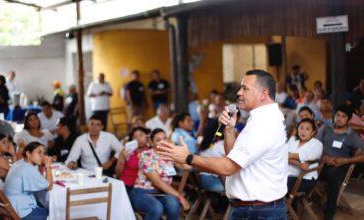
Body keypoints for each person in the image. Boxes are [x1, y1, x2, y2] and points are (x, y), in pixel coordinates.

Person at [158, 70, 288, 219]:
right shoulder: (259, 118)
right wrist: (229, 130)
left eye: (245, 88)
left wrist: (189, 158)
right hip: (253, 208)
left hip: (258, 211)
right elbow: (232, 155)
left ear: (263, 94)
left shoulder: (264, 124)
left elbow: (228, 167)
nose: (239, 93)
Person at [316, 105, 364, 220]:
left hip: (339, 167)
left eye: (343, 116)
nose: (339, 118)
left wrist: (346, 160)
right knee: (303, 170)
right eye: (338, 115)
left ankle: (330, 211)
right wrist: (323, 157)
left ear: (348, 119)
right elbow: (315, 145)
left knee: (332, 174)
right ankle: (298, 201)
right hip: (320, 164)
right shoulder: (325, 128)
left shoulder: (352, 136)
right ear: (334, 115)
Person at [131, 128, 190, 220]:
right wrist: (180, 197)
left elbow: (187, 167)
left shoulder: (169, 155)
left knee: (173, 204)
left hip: (160, 193)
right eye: (158, 140)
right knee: (157, 208)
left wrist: (178, 150)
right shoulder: (146, 155)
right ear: (151, 142)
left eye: (164, 138)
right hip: (142, 192)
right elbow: (157, 182)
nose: (162, 142)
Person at [4, 142, 53, 219]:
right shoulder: (27, 168)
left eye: (44, 153)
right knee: (55, 213)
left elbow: (39, 179)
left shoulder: (19, 163)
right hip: (22, 212)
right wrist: (48, 166)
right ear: (28, 154)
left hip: (12, 208)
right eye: (39, 152)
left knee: (46, 206)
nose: (42, 156)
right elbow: (49, 187)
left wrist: (41, 167)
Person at [286, 118, 323, 194]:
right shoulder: (293, 140)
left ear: (313, 132)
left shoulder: (317, 144)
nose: (303, 131)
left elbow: (306, 156)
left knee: (277, 184)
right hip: (286, 173)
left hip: (304, 178)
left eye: (307, 129)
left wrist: (289, 155)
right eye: (301, 128)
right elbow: (281, 155)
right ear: (298, 130)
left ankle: (277, 205)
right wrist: (298, 163)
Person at [116, 126, 150, 194]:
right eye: (135, 137)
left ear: (147, 137)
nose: (138, 139)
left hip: (146, 186)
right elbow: (118, 174)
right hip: (128, 185)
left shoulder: (151, 151)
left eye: (141, 135)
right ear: (132, 140)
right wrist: (122, 158)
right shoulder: (126, 150)